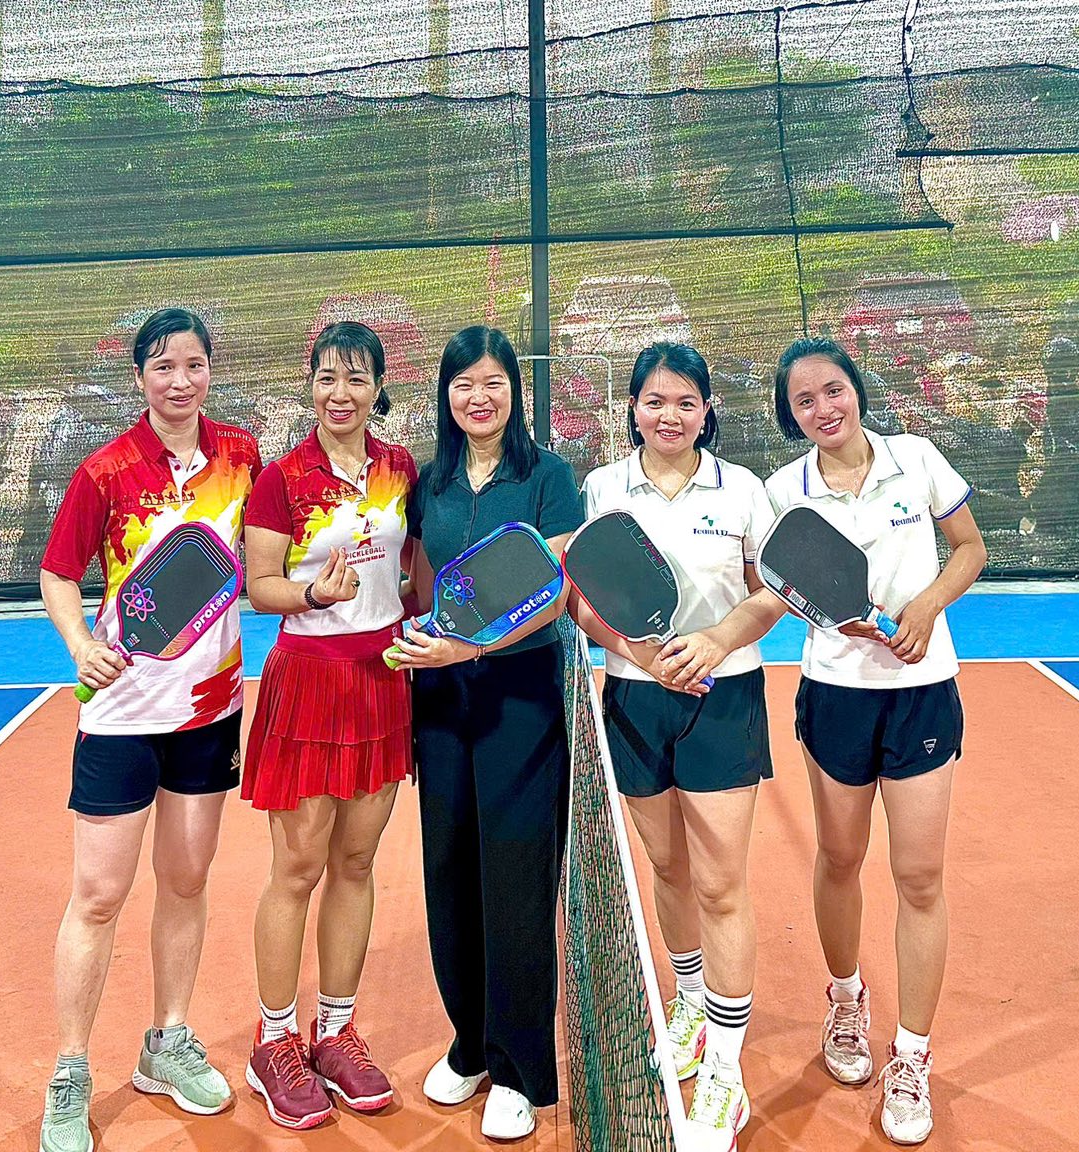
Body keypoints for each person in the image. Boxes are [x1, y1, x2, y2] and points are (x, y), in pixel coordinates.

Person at [35, 307, 261, 1152]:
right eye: (163, 366)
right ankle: (70, 1071)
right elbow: (59, 574)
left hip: (209, 708)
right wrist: (80, 644)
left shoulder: (241, 456)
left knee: (187, 880)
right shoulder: (105, 471)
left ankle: (166, 1043)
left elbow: (263, 557)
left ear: (210, 371)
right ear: (141, 378)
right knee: (98, 896)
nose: (180, 380)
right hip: (123, 715)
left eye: (193, 364)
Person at [763, 337, 986, 1145]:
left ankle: (913, 1055)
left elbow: (970, 548)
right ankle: (846, 1000)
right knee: (840, 858)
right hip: (836, 695)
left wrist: (925, 606)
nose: (824, 408)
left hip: (922, 697)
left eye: (833, 390)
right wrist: (827, 614)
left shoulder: (915, 459)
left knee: (919, 876)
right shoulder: (783, 492)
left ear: (856, 389)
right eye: (804, 401)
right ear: (791, 417)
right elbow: (775, 585)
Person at [568, 341, 786, 1151]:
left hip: (723, 700)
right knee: (667, 868)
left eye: (686, 402)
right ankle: (691, 999)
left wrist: (717, 640)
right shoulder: (602, 488)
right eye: (655, 401)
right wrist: (634, 651)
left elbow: (774, 591)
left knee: (722, 884)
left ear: (706, 412)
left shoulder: (744, 490)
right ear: (633, 408)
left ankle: (725, 1069)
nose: (670, 415)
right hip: (634, 696)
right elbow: (580, 599)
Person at [389, 325, 584, 1141]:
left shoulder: (548, 478)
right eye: (464, 383)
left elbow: (554, 588)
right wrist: (418, 635)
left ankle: (518, 1067)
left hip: (520, 695)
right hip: (441, 697)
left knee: (516, 877)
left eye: (493, 382)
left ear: (514, 392)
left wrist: (472, 647)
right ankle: (469, 1043)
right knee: (449, 868)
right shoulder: (429, 481)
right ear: (446, 394)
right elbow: (418, 575)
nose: (479, 397)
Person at [239, 321, 418, 1129]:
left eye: (355, 379)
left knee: (356, 860)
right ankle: (274, 1040)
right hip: (310, 681)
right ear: (309, 385)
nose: (339, 394)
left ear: (378, 387)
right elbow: (260, 587)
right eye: (326, 378)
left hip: (382, 680)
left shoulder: (399, 469)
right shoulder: (282, 480)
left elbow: (410, 572)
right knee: (298, 866)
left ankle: (337, 1031)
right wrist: (315, 595)